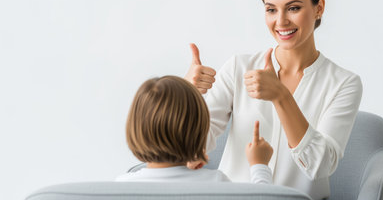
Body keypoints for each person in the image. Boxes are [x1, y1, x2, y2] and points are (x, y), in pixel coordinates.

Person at [184, 0, 363, 200]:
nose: (281, 22)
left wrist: (281, 96)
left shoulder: (344, 84)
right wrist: (186, 94)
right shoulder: (239, 68)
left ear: (319, 8)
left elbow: (320, 165)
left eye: (293, 8)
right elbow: (190, 149)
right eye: (271, 10)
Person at [116, 75, 273, 184]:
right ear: (200, 131)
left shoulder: (121, 186)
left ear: (135, 130)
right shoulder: (216, 182)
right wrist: (259, 165)